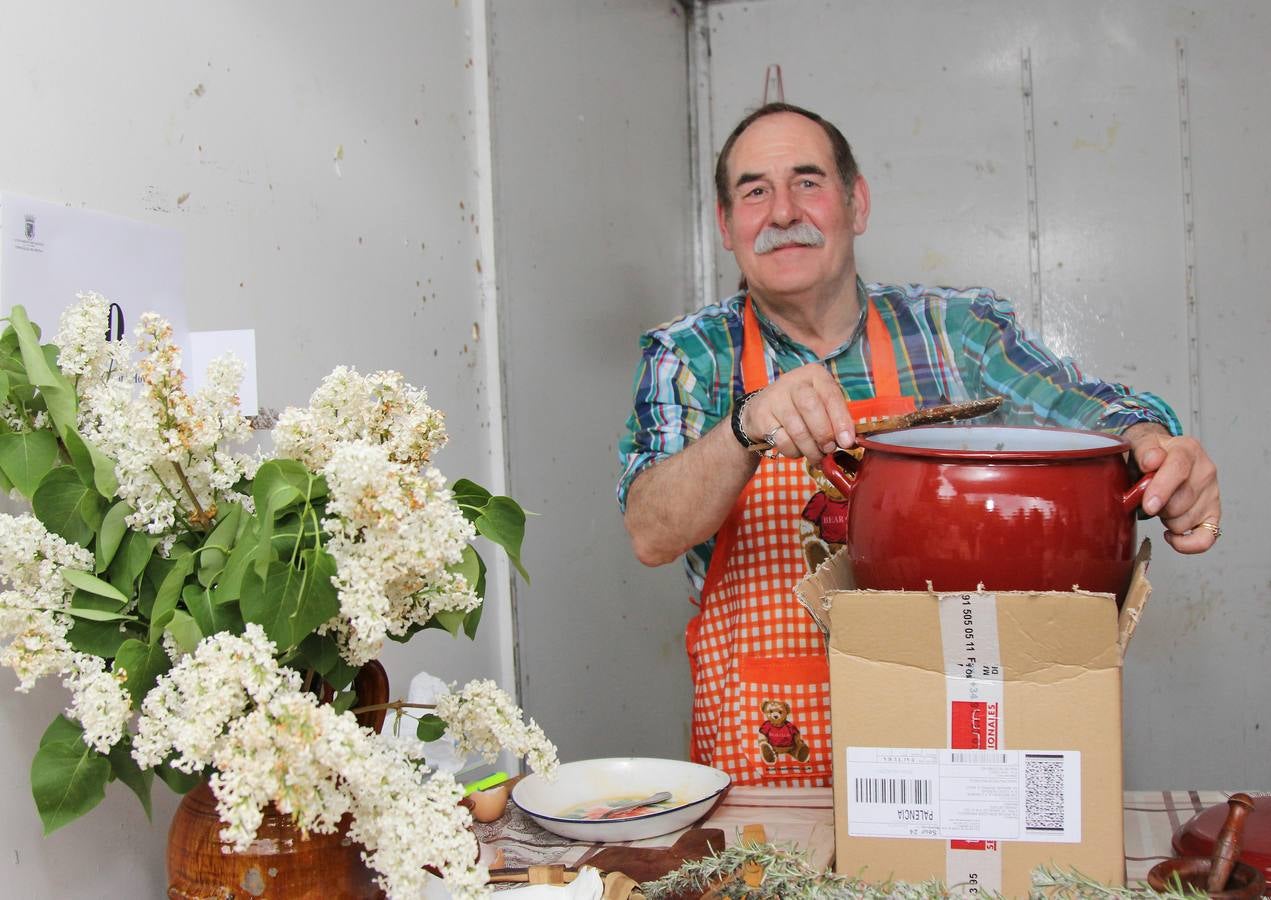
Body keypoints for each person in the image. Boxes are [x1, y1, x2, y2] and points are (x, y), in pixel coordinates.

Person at [616, 102, 1221, 787]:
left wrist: (1153, 443)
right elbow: (649, 530)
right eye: (754, 190)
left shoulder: (954, 332)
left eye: (807, 181)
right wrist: (742, 427)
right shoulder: (688, 355)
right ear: (726, 226)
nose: (782, 211)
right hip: (768, 740)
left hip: (947, 730)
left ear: (856, 202)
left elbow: (1100, 417)